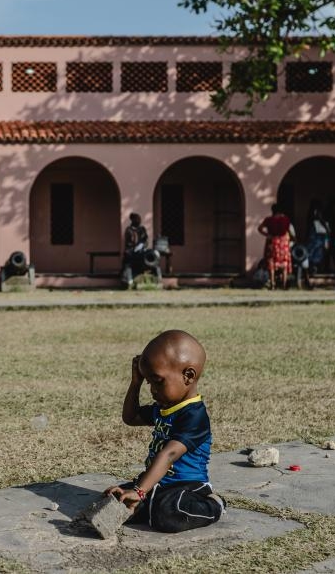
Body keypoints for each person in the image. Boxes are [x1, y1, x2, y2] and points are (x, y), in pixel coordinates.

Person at [100, 330, 225, 533]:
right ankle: (144, 504)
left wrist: (140, 492)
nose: (152, 390)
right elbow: (130, 418)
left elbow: (168, 454)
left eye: (158, 381)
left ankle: (214, 505)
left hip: (187, 486)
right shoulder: (163, 408)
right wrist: (135, 383)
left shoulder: (194, 416)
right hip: (157, 483)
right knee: (116, 497)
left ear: (188, 376)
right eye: (149, 383)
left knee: (166, 515)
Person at [257, 204, 291, 290]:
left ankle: (272, 284)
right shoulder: (286, 219)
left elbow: (259, 228)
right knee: (284, 264)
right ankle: (284, 284)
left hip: (272, 242)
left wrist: (267, 235)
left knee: (271, 263)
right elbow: (288, 231)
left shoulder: (268, 220)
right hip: (283, 244)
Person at [121, 213, 160, 288]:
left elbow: (145, 239)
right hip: (131, 251)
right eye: (137, 219)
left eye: (139, 219)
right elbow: (129, 242)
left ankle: (158, 280)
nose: (139, 220)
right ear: (132, 220)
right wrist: (134, 247)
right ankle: (129, 281)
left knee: (152, 260)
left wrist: (142, 245)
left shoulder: (142, 229)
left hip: (141, 250)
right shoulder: (129, 230)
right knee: (128, 262)